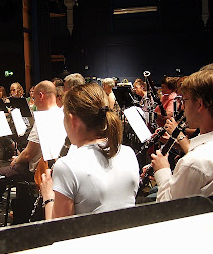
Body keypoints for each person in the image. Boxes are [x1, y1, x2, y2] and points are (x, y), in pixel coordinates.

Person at [0, 80, 61, 227]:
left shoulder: (43, 119)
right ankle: (15, 211)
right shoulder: (62, 114)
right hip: (53, 168)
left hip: (35, 171)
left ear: (41, 95)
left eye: (34, 98)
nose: (34, 102)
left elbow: (28, 154)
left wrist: (17, 160)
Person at [40, 83, 139, 219]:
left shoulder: (66, 166)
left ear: (72, 120)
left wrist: (48, 197)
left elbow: (58, 232)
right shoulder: (128, 154)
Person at [151, 69, 213, 201]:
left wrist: (162, 170)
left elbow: (169, 208)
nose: (182, 107)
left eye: (184, 100)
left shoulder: (194, 162)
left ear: (200, 104)